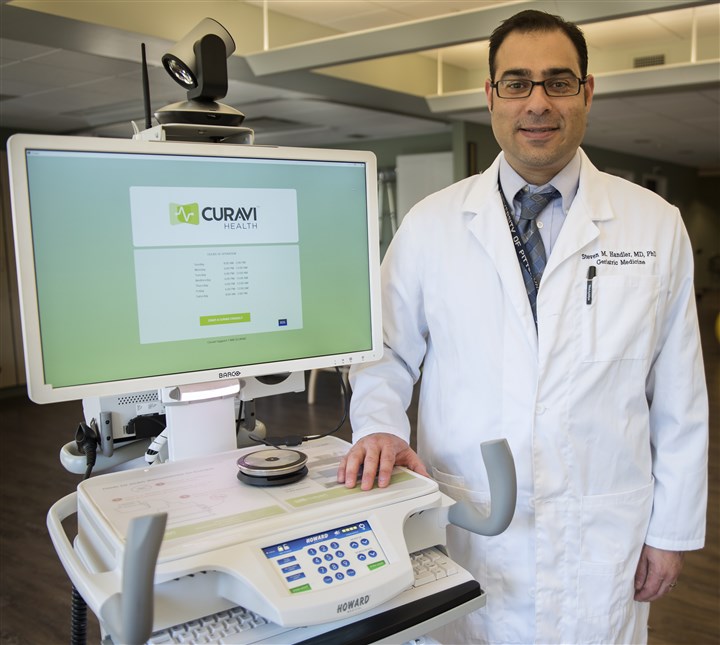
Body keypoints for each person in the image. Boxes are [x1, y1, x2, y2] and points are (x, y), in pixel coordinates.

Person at [337, 9, 708, 644]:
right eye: (517, 83)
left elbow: (678, 392)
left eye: (559, 82)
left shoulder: (654, 224)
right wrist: (377, 427)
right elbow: (388, 353)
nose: (538, 102)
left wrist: (669, 533)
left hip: (601, 529)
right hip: (470, 520)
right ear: (490, 96)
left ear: (587, 93)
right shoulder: (431, 224)